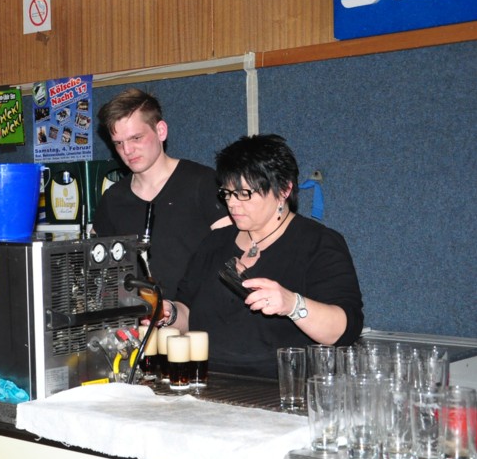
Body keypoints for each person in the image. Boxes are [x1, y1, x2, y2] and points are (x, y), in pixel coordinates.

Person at [163, 134, 364, 378]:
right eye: (227, 193)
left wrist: (293, 304)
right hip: (206, 381)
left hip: (282, 388)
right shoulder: (214, 242)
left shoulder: (319, 243)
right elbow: (187, 313)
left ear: (284, 190)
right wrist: (169, 314)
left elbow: (344, 330)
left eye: (244, 193)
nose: (232, 204)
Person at [92, 88, 230, 299]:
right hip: (140, 316)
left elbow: (231, 254)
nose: (127, 151)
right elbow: (98, 270)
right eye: (118, 143)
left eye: (136, 138)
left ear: (161, 131)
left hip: (200, 315)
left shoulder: (203, 183)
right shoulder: (112, 199)